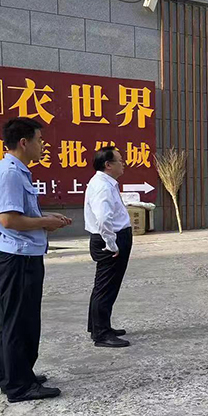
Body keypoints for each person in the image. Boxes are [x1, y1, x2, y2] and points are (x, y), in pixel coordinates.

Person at [0, 118, 70, 402]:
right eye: (39, 140)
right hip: (19, 258)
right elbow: (9, 219)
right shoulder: (10, 173)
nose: (43, 145)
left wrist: (45, 219)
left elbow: (18, 215)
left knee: (13, 319)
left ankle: (14, 374)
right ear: (24, 142)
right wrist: (45, 223)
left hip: (20, 255)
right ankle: (20, 385)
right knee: (21, 321)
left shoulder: (16, 171)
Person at [84, 146, 134, 348]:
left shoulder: (106, 183)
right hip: (109, 241)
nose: (123, 164)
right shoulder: (102, 186)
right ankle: (101, 334)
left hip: (113, 238)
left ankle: (99, 326)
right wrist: (112, 244)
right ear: (108, 165)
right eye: (120, 160)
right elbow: (104, 219)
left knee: (107, 286)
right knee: (105, 287)